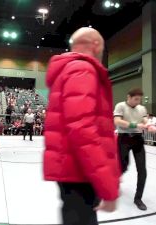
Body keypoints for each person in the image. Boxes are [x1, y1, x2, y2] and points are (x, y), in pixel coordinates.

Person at [43, 27, 120, 225]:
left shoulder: (69, 69)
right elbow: (82, 130)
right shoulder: (82, 69)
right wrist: (108, 186)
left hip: (73, 169)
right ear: (96, 45)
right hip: (79, 172)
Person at [114, 88, 156, 211]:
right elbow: (117, 121)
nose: (138, 101)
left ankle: (138, 198)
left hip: (137, 139)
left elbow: (144, 120)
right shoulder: (120, 106)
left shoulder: (142, 108)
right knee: (123, 166)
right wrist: (135, 125)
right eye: (136, 99)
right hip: (124, 139)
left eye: (140, 99)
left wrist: (150, 125)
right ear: (129, 97)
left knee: (142, 170)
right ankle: (115, 180)